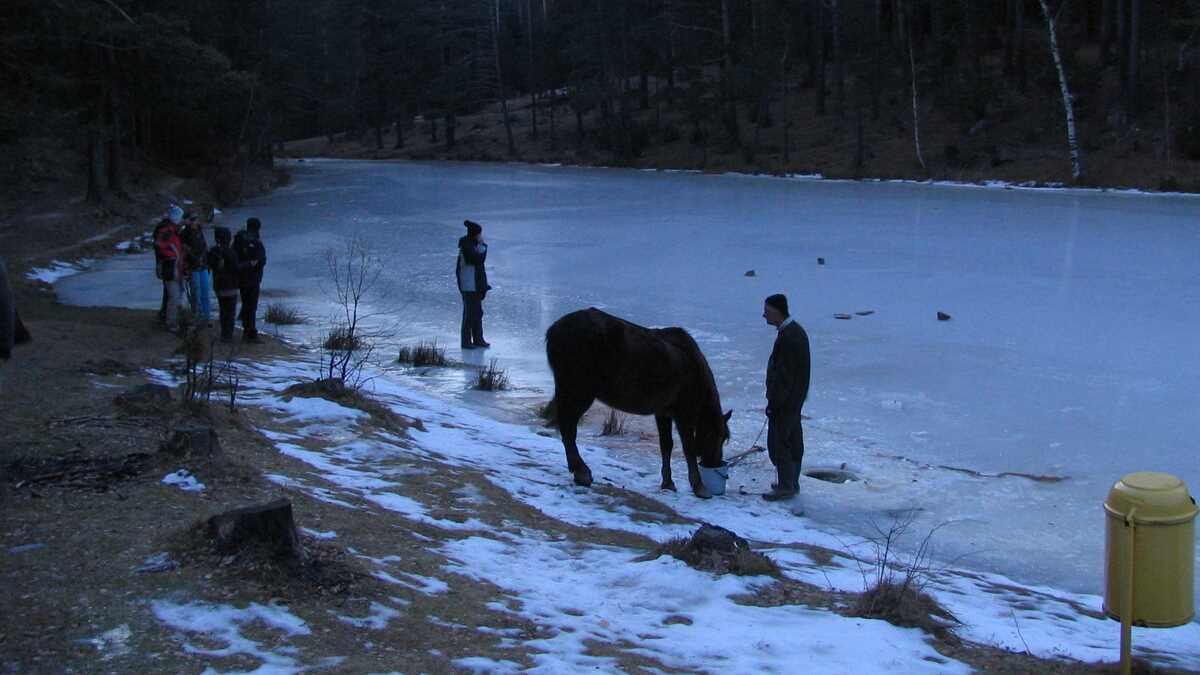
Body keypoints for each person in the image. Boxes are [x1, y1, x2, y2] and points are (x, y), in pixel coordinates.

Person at [761, 293, 811, 502]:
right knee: (793, 441)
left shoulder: (789, 337)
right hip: (795, 400)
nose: (764, 316)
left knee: (779, 444)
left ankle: (786, 486)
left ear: (776, 312)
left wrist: (775, 402)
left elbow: (784, 375)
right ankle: (791, 482)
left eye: (767, 312)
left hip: (786, 402)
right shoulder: (795, 332)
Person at [456, 219, 491, 349]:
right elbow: (478, 260)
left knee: (477, 312)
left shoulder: (471, 245)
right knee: (470, 314)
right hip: (469, 286)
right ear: (475, 234)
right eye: (479, 234)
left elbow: (479, 268)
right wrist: (482, 246)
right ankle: (466, 342)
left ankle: (478, 339)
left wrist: (484, 284)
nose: (481, 236)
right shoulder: (467, 247)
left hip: (474, 285)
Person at [234, 217, 267, 343]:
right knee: (251, 305)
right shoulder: (256, 241)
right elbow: (262, 260)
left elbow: (234, 256)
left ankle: (246, 329)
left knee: (246, 303)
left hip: (241, 277)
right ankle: (250, 332)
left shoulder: (238, 238)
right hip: (253, 278)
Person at [206, 227, 241, 342]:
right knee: (230, 312)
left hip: (219, 285)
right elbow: (236, 269)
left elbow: (209, 264)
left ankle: (224, 334)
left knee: (223, 310)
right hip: (231, 285)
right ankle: (228, 335)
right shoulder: (231, 252)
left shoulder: (213, 251)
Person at [154, 212, 186, 333]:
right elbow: (161, 247)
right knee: (174, 296)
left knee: (175, 296)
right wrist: (172, 257)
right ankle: (171, 322)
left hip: (176, 268)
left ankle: (173, 320)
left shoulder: (173, 231)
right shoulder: (167, 231)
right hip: (171, 268)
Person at [180, 211, 212, 324]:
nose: (195, 221)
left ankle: (206, 316)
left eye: (196, 219)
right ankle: (197, 315)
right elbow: (185, 251)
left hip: (202, 266)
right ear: (187, 221)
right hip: (192, 267)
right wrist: (193, 260)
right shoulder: (184, 234)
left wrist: (205, 260)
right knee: (195, 292)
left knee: (205, 291)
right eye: (192, 219)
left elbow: (204, 247)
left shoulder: (199, 230)